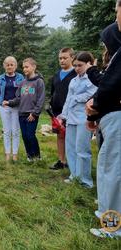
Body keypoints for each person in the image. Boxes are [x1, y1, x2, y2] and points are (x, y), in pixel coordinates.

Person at [86, 5, 121, 237]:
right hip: (112, 117)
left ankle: (112, 228)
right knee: (109, 168)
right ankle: (105, 212)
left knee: (112, 171)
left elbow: (110, 86)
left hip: (116, 118)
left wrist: (94, 107)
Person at [59, 52, 97, 188]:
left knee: (82, 149)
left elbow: (92, 93)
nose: (77, 68)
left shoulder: (92, 78)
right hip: (71, 118)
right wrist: (63, 116)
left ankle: (86, 181)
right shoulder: (74, 80)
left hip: (84, 117)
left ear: (89, 64)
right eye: (75, 65)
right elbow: (68, 98)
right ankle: (74, 175)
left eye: (80, 65)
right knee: (71, 148)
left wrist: (77, 98)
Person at [3, 58, 45, 161]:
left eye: (27, 67)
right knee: (25, 136)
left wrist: (35, 113)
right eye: (23, 67)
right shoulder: (22, 83)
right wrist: (9, 102)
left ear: (34, 67)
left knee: (31, 135)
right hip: (21, 113)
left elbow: (41, 99)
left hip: (32, 114)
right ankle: (29, 156)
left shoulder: (39, 82)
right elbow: (18, 98)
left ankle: (37, 156)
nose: (24, 69)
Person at [49, 48, 77, 170]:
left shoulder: (76, 74)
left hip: (72, 111)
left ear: (72, 58)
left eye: (65, 58)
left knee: (72, 137)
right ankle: (61, 161)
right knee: (60, 136)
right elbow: (53, 91)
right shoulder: (56, 75)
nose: (62, 60)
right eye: (60, 58)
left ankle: (73, 162)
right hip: (57, 111)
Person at [0, 56, 24, 161]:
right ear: (4, 66)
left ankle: (15, 154)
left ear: (15, 66)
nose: (9, 66)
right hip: (5, 107)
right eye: (7, 64)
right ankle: (7, 153)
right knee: (7, 131)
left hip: (16, 106)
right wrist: (0, 102)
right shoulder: (0, 78)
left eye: (12, 64)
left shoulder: (21, 78)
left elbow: (24, 91)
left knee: (15, 131)